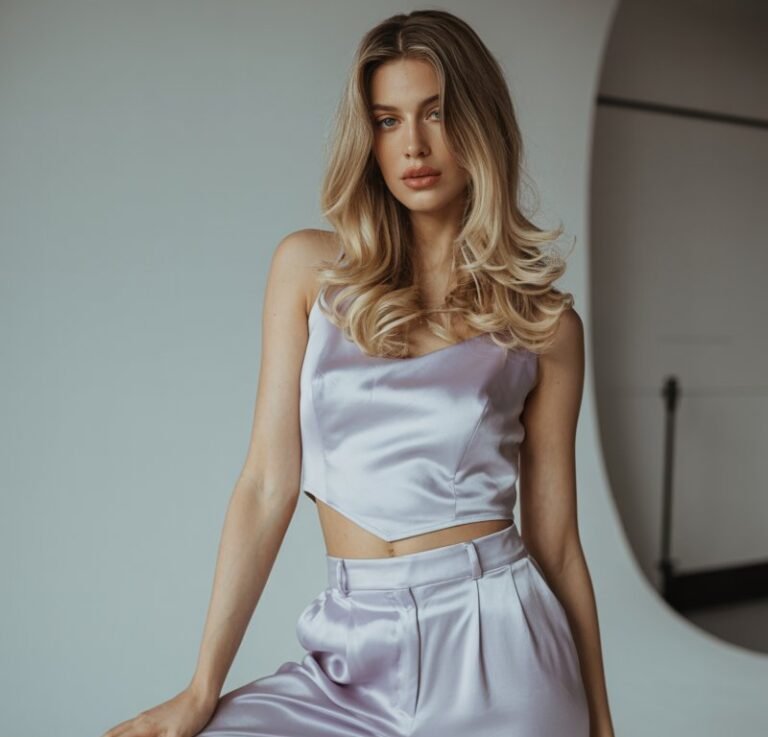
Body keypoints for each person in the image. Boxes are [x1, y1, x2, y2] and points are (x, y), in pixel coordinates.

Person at [101, 9, 615, 737]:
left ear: (481, 125)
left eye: (436, 114)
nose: (414, 144)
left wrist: (601, 718)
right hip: (350, 657)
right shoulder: (308, 271)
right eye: (388, 120)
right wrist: (201, 686)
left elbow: (557, 541)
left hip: (498, 651)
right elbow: (266, 483)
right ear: (367, 137)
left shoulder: (545, 326)